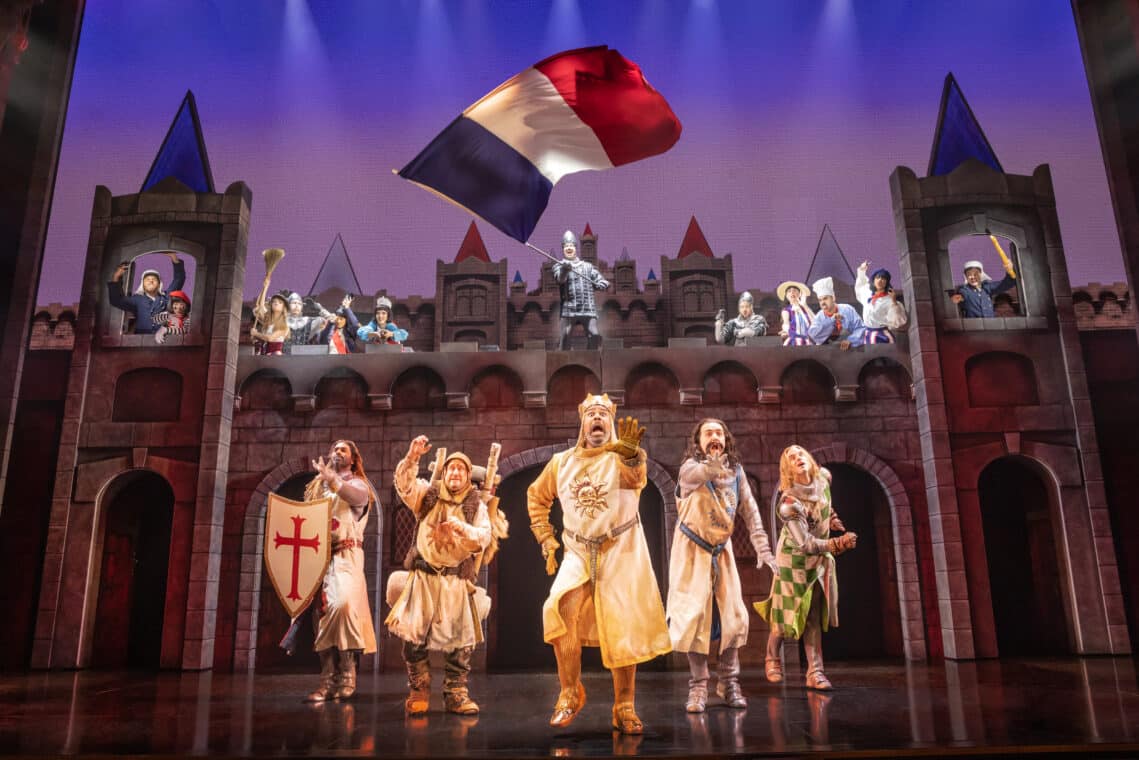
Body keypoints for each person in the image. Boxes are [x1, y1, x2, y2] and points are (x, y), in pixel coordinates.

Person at [527, 394, 670, 734]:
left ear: (611, 421)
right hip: (578, 549)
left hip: (620, 549)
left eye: (603, 414)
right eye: (591, 413)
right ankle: (570, 690)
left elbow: (636, 479)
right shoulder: (562, 462)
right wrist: (547, 539)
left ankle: (624, 705)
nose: (597, 419)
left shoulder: (623, 456)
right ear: (582, 422)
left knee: (623, 629)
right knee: (561, 609)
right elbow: (536, 497)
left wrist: (633, 455)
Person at [386, 437, 507, 715]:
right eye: (450, 468)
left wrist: (462, 529)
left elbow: (484, 537)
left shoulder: (474, 505)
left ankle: (456, 693)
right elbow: (404, 486)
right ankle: (419, 689)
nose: (454, 473)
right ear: (444, 473)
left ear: (467, 477)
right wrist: (412, 457)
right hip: (424, 578)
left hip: (454, 581)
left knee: (459, 642)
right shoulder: (427, 496)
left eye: (460, 470)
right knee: (414, 638)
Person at [668, 419, 777, 713]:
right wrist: (714, 464)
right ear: (699, 441)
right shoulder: (690, 468)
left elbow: (751, 513)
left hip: (721, 550)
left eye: (719, 433)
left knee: (734, 616)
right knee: (694, 617)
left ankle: (728, 682)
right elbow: (701, 473)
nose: (714, 437)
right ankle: (699, 686)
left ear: (726, 439)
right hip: (691, 550)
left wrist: (763, 549)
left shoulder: (736, 473)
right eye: (708, 433)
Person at [754, 445, 857, 690]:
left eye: (800, 453)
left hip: (818, 561)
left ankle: (815, 672)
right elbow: (806, 543)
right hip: (793, 561)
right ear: (787, 469)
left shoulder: (824, 479)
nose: (797, 457)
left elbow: (824, 504)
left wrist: (831, 518)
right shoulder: (789, 503)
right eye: (791, 457)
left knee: (812, 615)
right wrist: (837, 544)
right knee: (785, 615)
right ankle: (771, 658)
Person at [304, 439, 378, 702]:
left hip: (347, 555)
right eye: (334, 448)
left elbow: (357, 497)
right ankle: (327, 680)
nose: (337, 452)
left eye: (342, 449)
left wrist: (334, 480)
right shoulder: (318, 488)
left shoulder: (358, 484)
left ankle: (348, 673)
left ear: (353, 458)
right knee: (322, 614)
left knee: (344, 606)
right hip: (320, 557)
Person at [552, 230, 609, 350]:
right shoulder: (559, 266)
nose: (569, 248)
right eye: (566, 246)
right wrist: (565, 270)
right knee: (565, 336)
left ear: (575, 247)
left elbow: (600, 280)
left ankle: (591, 361)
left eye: (571, 246)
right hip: (569, 309)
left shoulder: (587, 266)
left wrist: (602, 284)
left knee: (594, 336)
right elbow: (560, 279)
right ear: (563, 248)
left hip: (588, 308)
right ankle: (565, 363)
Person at [107, 252, 185, 334]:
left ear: (159, 284)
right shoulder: (137, 299)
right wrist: (116, 277)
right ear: (142, 284)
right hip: (141, 339)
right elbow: (116, 300)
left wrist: (173, 257)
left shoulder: (166, 297)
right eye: (147, 279)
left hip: (163, 338)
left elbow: (179, 279)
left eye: (154, 279)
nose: (151, 281)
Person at [807, 277, 866, 349]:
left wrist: (851, 340)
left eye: (825, 298)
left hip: (849, 351)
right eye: (820, 300)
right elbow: (813, 335)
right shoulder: (819, 317)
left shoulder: (847, 310)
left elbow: (860, 328)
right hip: (827, 353)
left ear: (833, 298)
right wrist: (831, 320)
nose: (823, 303)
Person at [855, 262, 907, 343]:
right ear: (874, 280)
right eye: (878, 277)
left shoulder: (889, 301)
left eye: (883, 278)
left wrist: (894, 301)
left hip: (882, 336)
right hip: (868, 335)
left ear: (886, 282)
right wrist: (862, 270)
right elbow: (861, 285)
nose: (880, 280)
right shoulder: (867, 292)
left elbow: (898, 322)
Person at [951, 259, 1016, 318]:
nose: (972, 277)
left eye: (975, 274)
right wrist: (958, 297)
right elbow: (961, 295)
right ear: (966, 277)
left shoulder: (987, 287)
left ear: (981, 275)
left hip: (991, 326)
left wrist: (1009, 271)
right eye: (969, 275)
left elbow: (1006, 284)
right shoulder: (965, 290)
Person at [777, 280, 814, 346]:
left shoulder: (805, 309)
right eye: (789, 291)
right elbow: (786, 322)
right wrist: (786, 330)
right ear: (786, 296)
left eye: (794, 290)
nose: (792, 292)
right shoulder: (787, 310)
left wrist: (805, 305)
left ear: (800, 294)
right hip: (793, 342)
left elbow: (815, 321)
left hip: (808, 341)